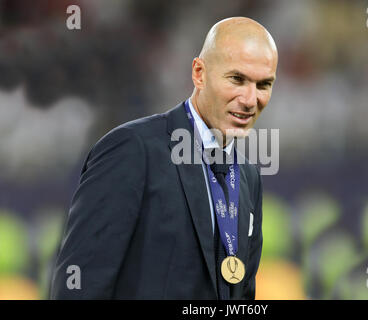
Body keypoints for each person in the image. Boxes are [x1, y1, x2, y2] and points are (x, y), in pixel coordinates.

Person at [50, 16, 278, 300]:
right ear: (199, 73)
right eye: (237, 79)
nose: (249, 99)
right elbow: (80, 285)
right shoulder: (133, 149)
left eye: (263, 85)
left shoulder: (248, 175)